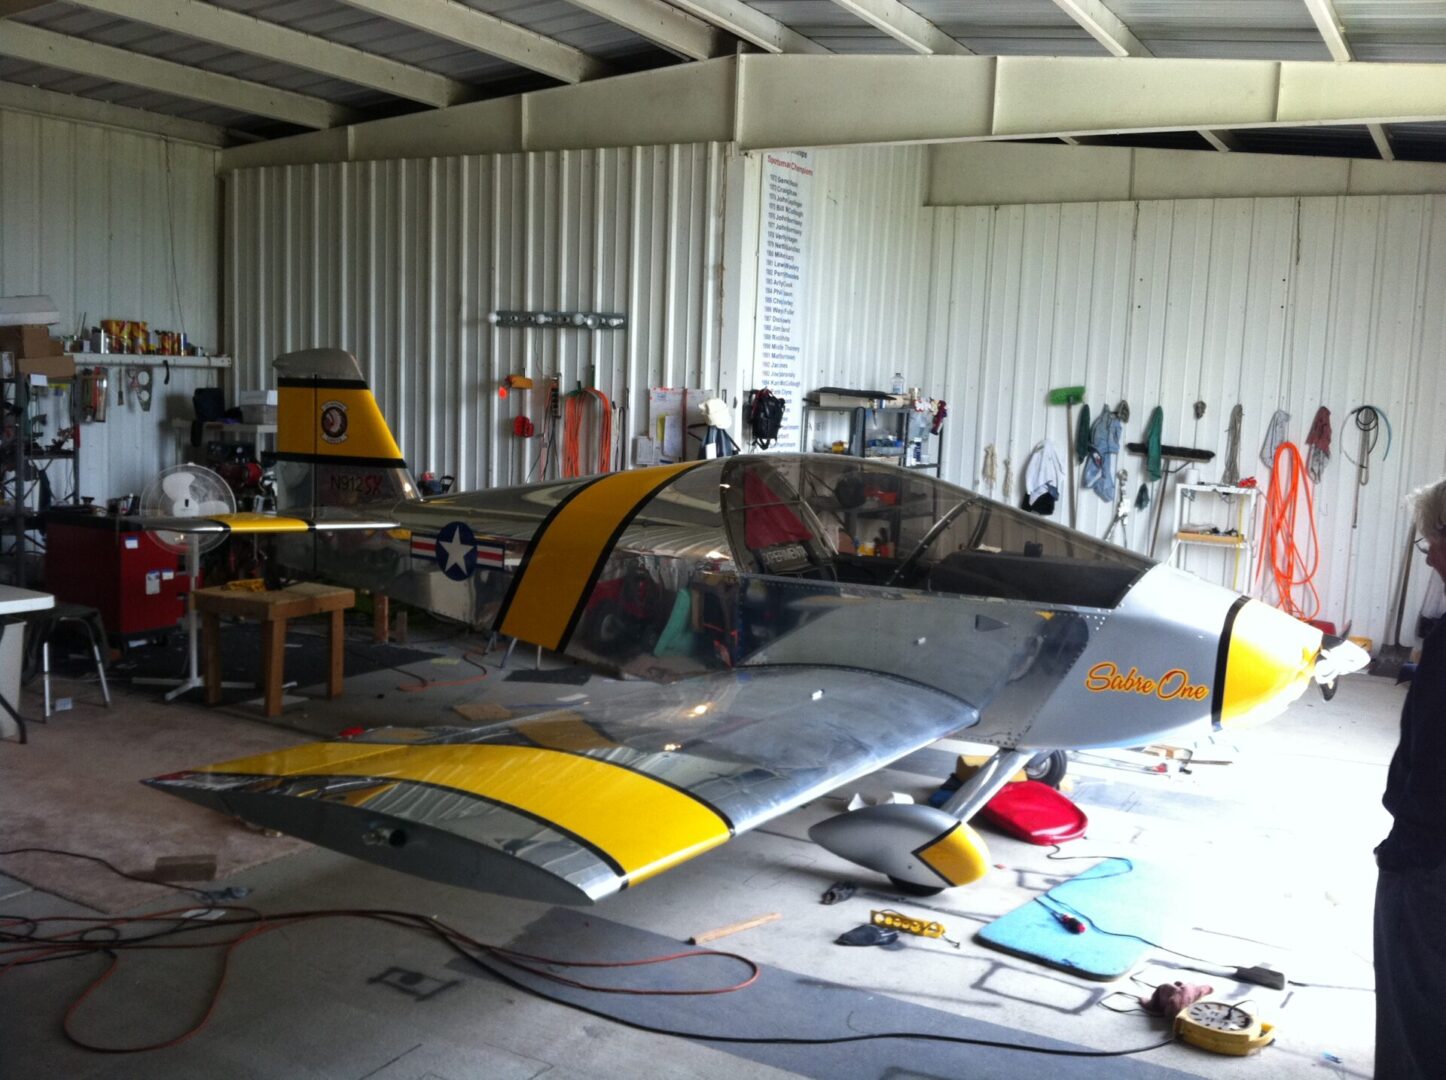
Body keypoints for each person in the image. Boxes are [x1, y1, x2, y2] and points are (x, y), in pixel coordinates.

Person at [1375, 477, 1446, 1079]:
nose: (1427, 555)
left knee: (1415, 1010)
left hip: (1430, 859)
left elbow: (1430, 760)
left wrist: (1407, 849)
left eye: (1431, 540)